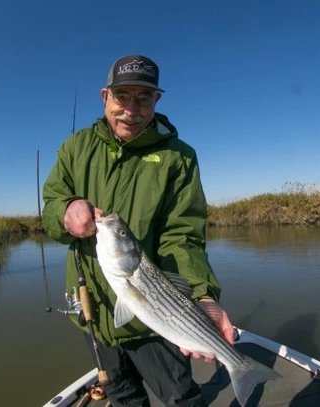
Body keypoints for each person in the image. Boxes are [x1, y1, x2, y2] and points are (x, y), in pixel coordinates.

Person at [42, 54, 234, 406]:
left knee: (181, 396)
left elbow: (183, 235)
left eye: (143, 98)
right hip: (94, 311)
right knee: (123, 398)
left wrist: (203, 296)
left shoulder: (179, 157)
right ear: (105, 97)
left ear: (156, 101)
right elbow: (51, 205)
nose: (131, 109)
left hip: (158, 318)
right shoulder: (74, 148)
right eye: (122, 96)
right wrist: (64, 211)